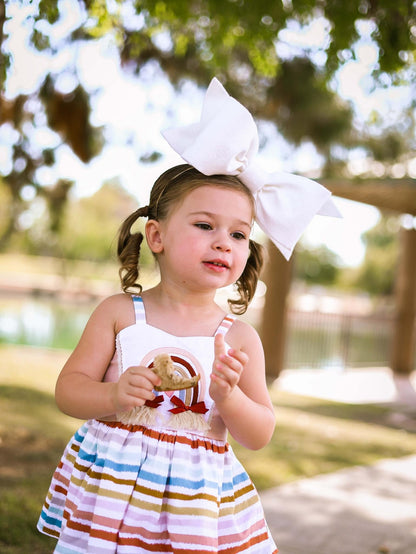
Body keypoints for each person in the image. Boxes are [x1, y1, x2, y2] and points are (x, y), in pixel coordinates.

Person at [38, 78, 340, 553]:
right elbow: (67, 390)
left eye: (240, 234)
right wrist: (113, 393)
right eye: (205, 225)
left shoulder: (239, 338)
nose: (224, 241)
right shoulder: (120, 313)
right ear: (156, 236)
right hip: (114, 494)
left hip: (196, 506)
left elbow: (259, 432)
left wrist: (230, 397)